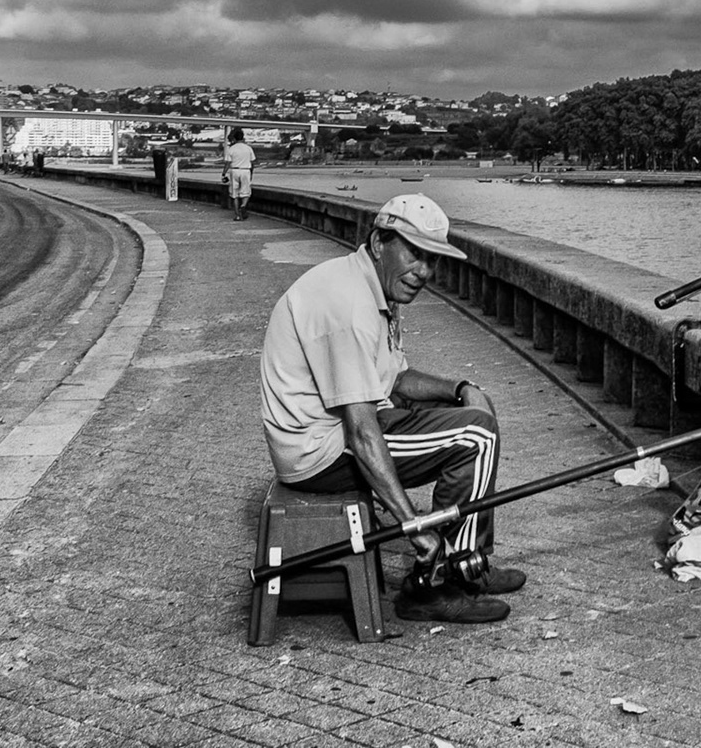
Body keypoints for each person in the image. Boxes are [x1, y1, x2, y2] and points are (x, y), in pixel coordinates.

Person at [260, 193, 523, 624]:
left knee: (475, 417)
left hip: (337, 432)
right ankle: (437, 585)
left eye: (432, 260)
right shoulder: (346, 305)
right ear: (380, 242)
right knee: (475, 436)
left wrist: (461, 387)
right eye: (415, 254)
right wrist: (411, 525)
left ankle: (466, 560)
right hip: (318, 452)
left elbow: (395, 379)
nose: (424, 272)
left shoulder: (369, 285)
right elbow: (363, 434)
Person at [221, 127, 255, 220]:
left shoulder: (232, 149)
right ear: (243, 137)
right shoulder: (248, 148)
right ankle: (243, 205)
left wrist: (224, 174)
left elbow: (228, 163)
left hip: (234, 170)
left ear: (235, 138)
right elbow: (252, 163)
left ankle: (237, 215)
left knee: (234, 194)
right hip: (245, 170)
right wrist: (251, 174)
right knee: (246, 192)